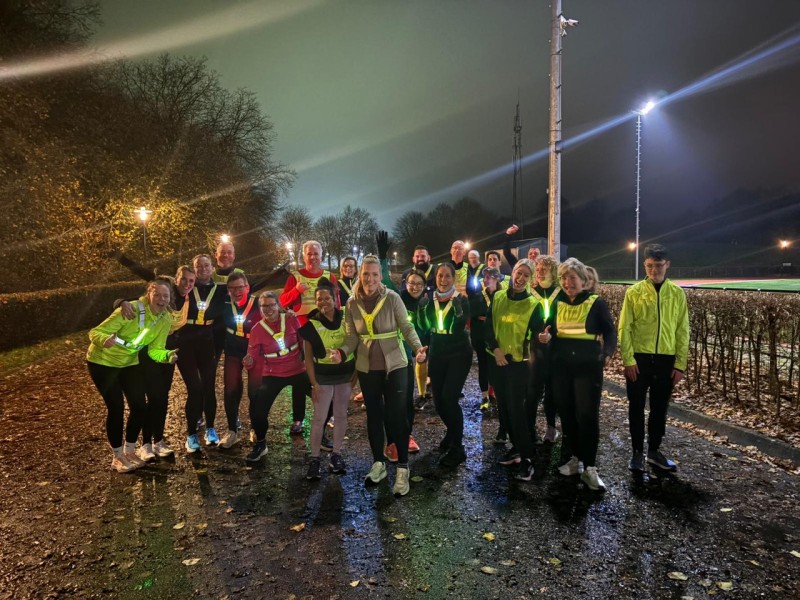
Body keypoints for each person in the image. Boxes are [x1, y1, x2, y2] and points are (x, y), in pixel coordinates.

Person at [330, 255, 426, 497]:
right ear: (360, 275)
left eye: (374, 274)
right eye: (366, 274)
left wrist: (418, 349)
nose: (370, 279)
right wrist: (342, 352)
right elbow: (351, 338)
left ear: (380, 276)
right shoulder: (352, 303)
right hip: (367, 366)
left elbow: (406, 327)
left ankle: (402, 467)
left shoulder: (392, 298)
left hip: (395, 364)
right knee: (374, 414)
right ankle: (378, 463)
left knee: (396, 415)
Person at [537, 258, 617, 492]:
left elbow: (610, 331)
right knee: (567, 414)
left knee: (587, 415)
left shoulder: (596, 303)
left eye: (572, 278)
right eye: (563, 278)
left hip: (587, 367)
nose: (567, 282)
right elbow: (549, 328)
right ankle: (574, 459)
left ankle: (590, 467)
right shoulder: (558, 301)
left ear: (583, 280)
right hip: (561, 367)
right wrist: (545, 336)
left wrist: (607, 352)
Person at [87, 280, 179, 472]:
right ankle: (117, 457)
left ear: (170, 298)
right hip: (103, 362)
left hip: (129, 363)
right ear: (149, 294)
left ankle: (129, 451)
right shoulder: (131, 309)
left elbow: (154, 350)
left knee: (139, 406)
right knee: (116, 407)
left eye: (166, 296)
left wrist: (167, 356)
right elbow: (95, 332)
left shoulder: (165, 319)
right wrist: (104, 340)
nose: (162, 299)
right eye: (157, 295)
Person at [618, 244, 689, 473]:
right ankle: (637, 452)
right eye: (649, 266)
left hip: (665, 360)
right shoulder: (634, 292)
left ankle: (654, 451)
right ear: (644, 265)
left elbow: (683, 330)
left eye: (658, 265)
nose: (653, 270)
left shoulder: (677, 294)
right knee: (636, 407)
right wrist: (628, 359)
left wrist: (680, 364)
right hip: (639, 359)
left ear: (667, 265)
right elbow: (625, 327)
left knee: (659, 408)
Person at [484, 259, 539, 481]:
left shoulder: (533, 304)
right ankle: (516, 449)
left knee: (517, 411)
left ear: (531, 279)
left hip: (518, 365)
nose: (520, 278)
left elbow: (538, 333)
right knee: (504, 409)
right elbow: (488, 326)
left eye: (526, 275)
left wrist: (543, 338)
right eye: (518, 273)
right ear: (512, 273)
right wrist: (495, 350)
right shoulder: (498, 297)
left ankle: (527, 459)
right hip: (497, 361)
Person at [243, 292, 311, 462]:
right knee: (258, 411)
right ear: (260, 308)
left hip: (298, 370)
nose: (268, 309)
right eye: (264, 306)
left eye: (272, 305)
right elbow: (251, 358)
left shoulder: (290, 319)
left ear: (278, 306)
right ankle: (260, 444)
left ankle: (321, 437)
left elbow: (303, 341)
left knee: (324, 399)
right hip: (273, 374)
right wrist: (248, 362)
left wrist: (308, 362)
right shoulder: (257, 329)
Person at [417, 263, 472, 468]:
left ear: (453, 279)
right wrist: (421, 310)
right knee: (439, 402)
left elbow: (459, 327)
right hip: (438, 352)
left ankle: (458, 449)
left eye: (447, 276)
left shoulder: (461, 299)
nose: (443, 280)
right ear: (436, 277)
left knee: (449, 398)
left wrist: (459, 313)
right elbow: (424, 327)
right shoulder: (429, 299)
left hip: (458, 353)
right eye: (440, 276)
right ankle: (452, 432)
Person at [279, 240, 337, 433]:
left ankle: (329, 413)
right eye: (309, 254)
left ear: (321, 255)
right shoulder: (295, 277)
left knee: (326, 372)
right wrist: (296, 290)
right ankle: (298, 419)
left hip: (324, 331)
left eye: (316, 254)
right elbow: (282, 302)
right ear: (303, 256)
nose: (313, 257)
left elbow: (336, 304)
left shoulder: (329, 276)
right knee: (301, 374)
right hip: (302, 332)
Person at [300, 278, 355, 479]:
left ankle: (336, 455)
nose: (323, 302)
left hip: (344, 375)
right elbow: (307, 358)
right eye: (319, 299)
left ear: (334, 299)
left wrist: (355, 377)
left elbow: (356, 345)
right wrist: (313, 383)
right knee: (319, 418)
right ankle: (315, 459)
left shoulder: (347, 319)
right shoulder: (311, 326)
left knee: (340, 415)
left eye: (327, 298)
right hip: (322, 377)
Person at [376, 231, 422, 457]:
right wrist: (382, 257)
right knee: (391, 401)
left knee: (406, 401)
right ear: (405, 283)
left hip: (409, 359)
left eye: (419, 284)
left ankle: (407, 435)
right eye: (411, 283)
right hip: (391, 357)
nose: (415, 287)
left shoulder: (426, 304)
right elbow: (383, 278)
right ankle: (392, 441)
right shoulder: (396, 297)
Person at [179, 254, 227, 452]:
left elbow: (249, 287)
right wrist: (120, 302)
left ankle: (210, 429)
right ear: (194, 268)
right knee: (194, 388)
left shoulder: (221, 289)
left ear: (212, 267)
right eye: (199, 266)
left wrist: (279, 273)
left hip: (207, 342)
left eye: (207, 265)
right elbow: (153, 284)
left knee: (209, 387)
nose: (203, 269)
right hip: (186, 343)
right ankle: (191, 434)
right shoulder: (187, 287)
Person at [219, 272, 262, 449]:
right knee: (231, 389)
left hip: (255, 349)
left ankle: (255, 428)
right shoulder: (224, 302)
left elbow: (276, 313)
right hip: (233, 349)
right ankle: (232, 430)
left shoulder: (258, 302)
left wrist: (287, 313)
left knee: (255, 392)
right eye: (232, 288)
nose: (236, 291)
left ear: (247, 287)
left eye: (240, 287)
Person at [527, 255, 562, 444]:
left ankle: (551, 428)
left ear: (553, 272)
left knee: (552, 391)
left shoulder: (562, 293)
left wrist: (552, 334)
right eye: (538, 269)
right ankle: (529, 429)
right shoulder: (530, 293)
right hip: (536, 349)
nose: (540, 273)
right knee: (532, 390)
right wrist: (536, 335)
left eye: (544, 270)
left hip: (556, 350)